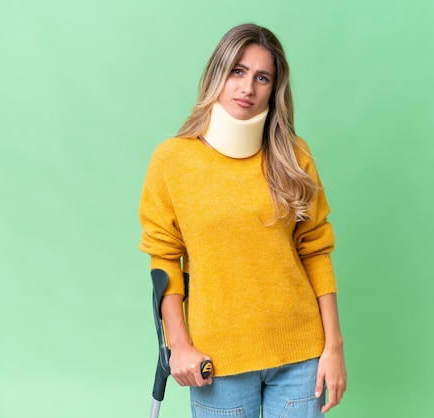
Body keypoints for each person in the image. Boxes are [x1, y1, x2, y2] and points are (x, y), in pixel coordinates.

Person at [139, 23, 347, 417]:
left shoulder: (293, 155)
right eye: (237, 71)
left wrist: (333, 346)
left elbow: (316, 249)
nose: (247, 88)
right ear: (217, 73)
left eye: (261, 77)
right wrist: (178, 344)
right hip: (218, 361)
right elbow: (165, 259)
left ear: (274, 88)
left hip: (301, 355)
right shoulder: (173, 161)